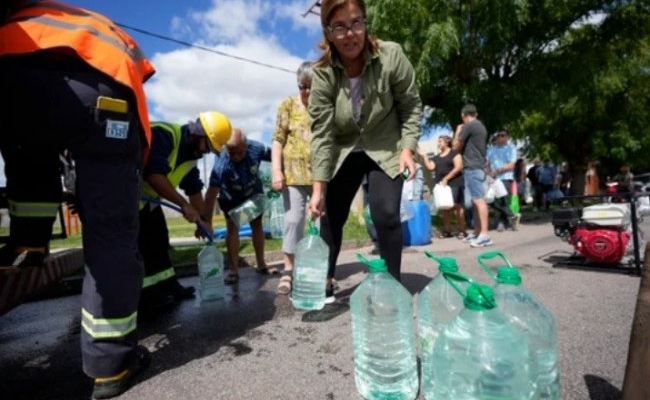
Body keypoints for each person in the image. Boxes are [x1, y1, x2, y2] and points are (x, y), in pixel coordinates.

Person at [0, 1, 154, 398]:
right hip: (102, 95)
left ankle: (29, 242)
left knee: (26, 152)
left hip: (12, 83)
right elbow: (136, 151)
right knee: (111, 236)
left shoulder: (37, 18)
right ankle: (112, 365)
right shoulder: (117, 45)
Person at [308, 0, 423, 299]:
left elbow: (410, 106)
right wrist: (318, 188)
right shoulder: (322, 75)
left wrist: (408, 149)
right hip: (344, 150)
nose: (350, 34)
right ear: (328, 32)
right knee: (330, 215)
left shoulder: (390, 55)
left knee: (385, 213)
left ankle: (394, 286)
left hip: (385, 146)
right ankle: (325, 280)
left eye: (356, 23)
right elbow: (322, 133)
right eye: (340, 27)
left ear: (366, 23)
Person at [138, 111, 232, 310]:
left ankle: (169, 286)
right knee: (142, 246)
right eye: (208, 146)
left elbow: (194, 189)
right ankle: (147, 296)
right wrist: (184, 205)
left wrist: (204, 221)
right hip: (128, 196)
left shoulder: (191, 156)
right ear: (197, 135)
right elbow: (154, 176)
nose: (207, 152)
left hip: (148, 201)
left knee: (159, 241)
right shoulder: (164, 135)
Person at [204, 129, 276, 284]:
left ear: (246, 145)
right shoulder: (221, 163)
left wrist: (280, 173)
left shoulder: (256, 148)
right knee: (232, 228)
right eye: (232, 153)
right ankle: (234, 271)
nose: (236, 157)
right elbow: (210, 195)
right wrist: (207, 222)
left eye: (239, 152)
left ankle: (262, 264)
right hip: (230, 196)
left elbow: (276, 156)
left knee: (257, 225)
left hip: (252, 192)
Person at [271, 61, 314, 295]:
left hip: (319, 177)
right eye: (302, 86)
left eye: (311, 87)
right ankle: (289, 269)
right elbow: (277, 140)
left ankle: (320, 270)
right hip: (294, 175)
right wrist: (277, 171)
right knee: (293, 220)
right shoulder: (287, 105)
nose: (306, 92)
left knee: (319, 225)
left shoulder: (323, 107)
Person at [453, 104, 491, 247]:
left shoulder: (469, 126)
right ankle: (477, 232)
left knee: (478, 200)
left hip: (473, 167)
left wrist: (457, 131)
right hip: (476, 166)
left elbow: (456, 146)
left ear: (464, 115)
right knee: (475, 201)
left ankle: (485, 235)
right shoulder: (480, 126)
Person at [420, 135, 466, 239]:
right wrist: (424, 157)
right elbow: (430, 167)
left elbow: (458, 167)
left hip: (455, 183)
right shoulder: (436, 157)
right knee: (445, 207)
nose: (438, 143)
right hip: (443, 186)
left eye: (440, 141)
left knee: (457, 207)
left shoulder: (454, 153)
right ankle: (447, 231)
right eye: (438, 141)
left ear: (446, 142)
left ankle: (462, 230)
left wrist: (447, 178)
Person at [486, 128, 519, 231]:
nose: (500, 137)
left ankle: (502, 223)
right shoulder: (491, 149)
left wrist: (496, 171)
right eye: (499, 135)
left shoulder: (511, 148)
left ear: (507, 137)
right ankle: (512, 215)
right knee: (490, 200)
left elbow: (511, 165)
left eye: (503, 135)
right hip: (492, 179)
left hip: (505, 178)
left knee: (504, 201)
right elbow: (487, 163)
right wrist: (488, 172)